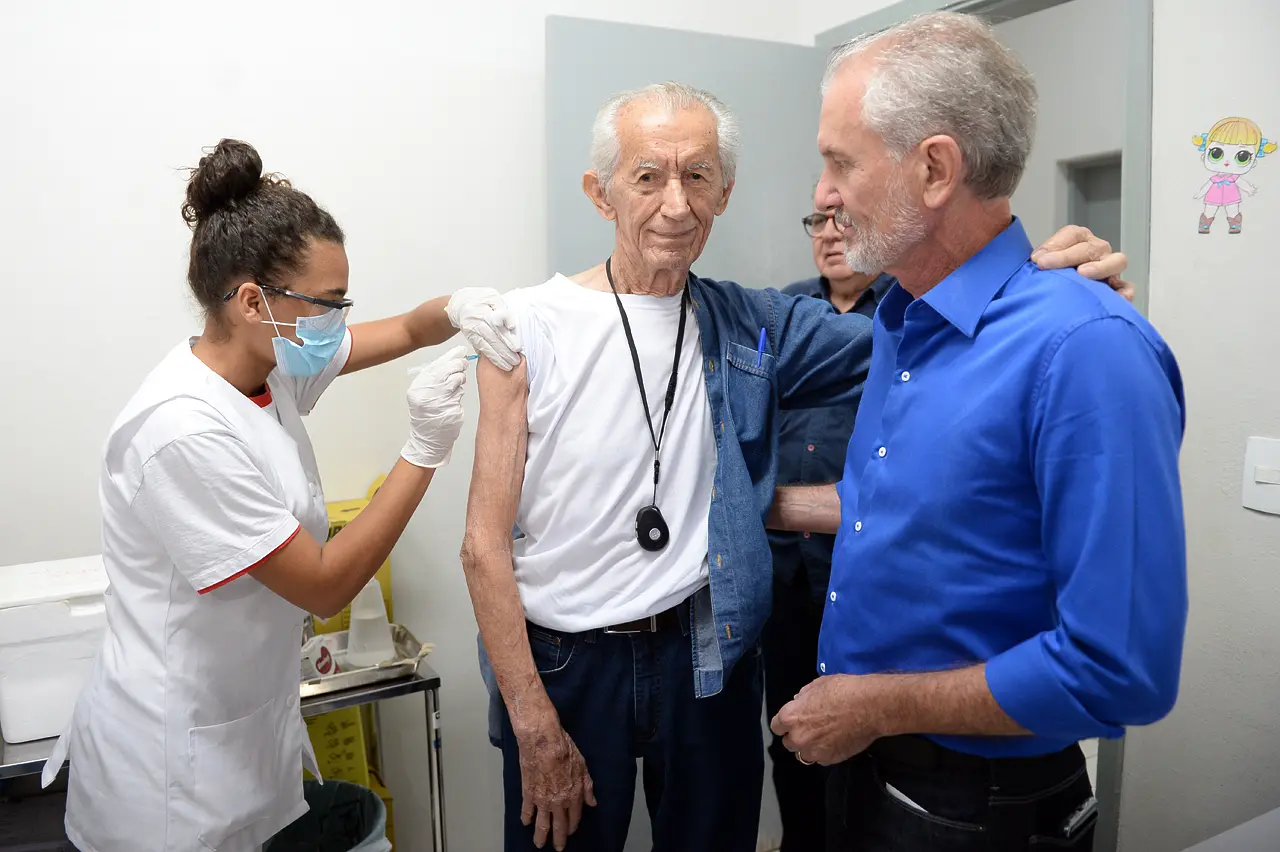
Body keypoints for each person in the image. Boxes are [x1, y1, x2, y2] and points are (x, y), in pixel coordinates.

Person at [459, 82, 1130, 852]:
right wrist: (534, 720)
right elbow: (482, 547)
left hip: (703, 652)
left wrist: (1047, 280)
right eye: (648, 176)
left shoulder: (755, 322)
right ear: (600, 192)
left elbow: (929, 334)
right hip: (568, 662)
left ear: (725, 192)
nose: (677, 204)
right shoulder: (529, 326)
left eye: (699, 176)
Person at [768, 13, 1187, 851]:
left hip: (977, 806)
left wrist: (876, 702)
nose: (822, 194)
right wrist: (754, 507)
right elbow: (909, 507)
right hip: (864, 769)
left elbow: (1120, 672)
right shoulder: (902, 321)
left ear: (934, 169)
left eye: (839, 161)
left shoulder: (1086, 349)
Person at [41, 139, 521, 852]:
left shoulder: (267, 364)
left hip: (239, 735)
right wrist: (423, 450)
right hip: (168, 780)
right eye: (325, 304)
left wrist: (453, 311)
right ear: (250, 301)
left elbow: (396, 332)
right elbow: (323, 586)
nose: (336, 320)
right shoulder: (180, 430)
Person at [765, 197, 893, 852]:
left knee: (863, 735)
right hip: (784, 572)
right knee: (789, 730)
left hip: (866, 571)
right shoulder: (784, 315)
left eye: (847, 222)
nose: (830, 236)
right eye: (818, 222)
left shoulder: (910, 317)